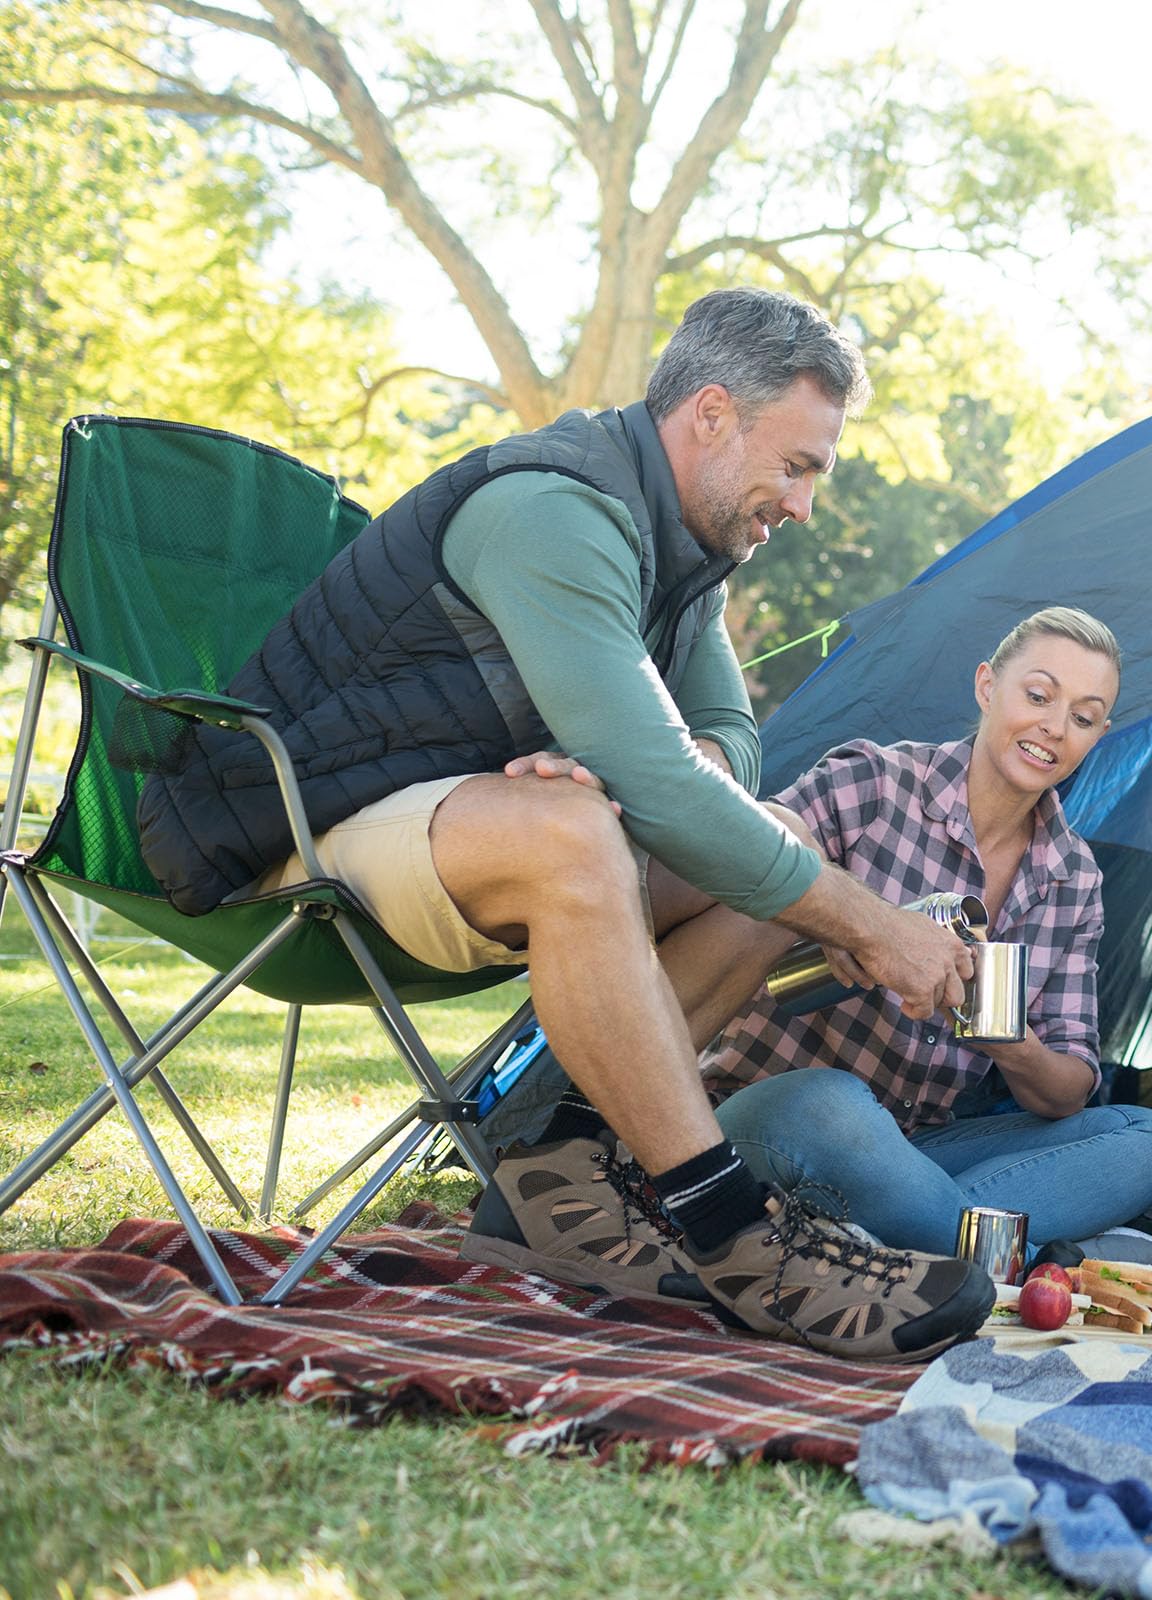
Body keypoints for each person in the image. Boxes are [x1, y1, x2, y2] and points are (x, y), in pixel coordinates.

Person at [135, 288, 996, 1362]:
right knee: (581, 835)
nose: (805, 504)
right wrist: (870, 924)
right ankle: (730, 1231)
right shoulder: (555, 509)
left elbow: (726, 742)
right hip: (298, 830)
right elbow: (672, 788)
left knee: (767, 838)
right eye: (800, 465)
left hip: (453, 820)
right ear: (713, 415)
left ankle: (567, 1161)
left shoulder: (683, 552)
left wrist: (635, 765)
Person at [656, 606, 1152, 1258]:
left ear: (1098, 736)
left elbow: (1070, 1087)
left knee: (1144, 1136)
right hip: (774, 1113)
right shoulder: (877, 784)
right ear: (988, 685)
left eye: (1081, 717)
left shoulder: (1072, 879)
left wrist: (1007, 1037)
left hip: (918, 1149)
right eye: (1038, 695)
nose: (1053, 727)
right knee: (833, 1102)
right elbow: (740, 857)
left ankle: (903, 1238)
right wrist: (839, 923)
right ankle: (996, 1252)